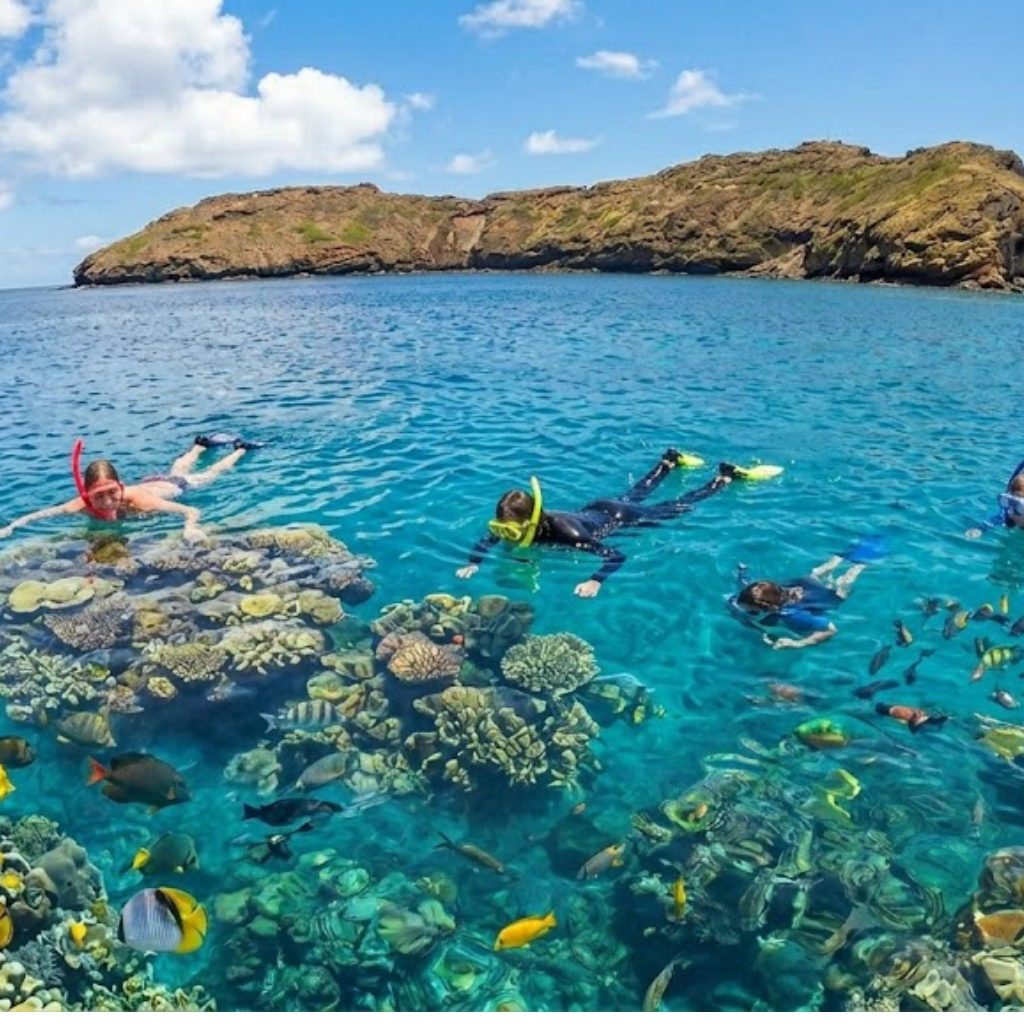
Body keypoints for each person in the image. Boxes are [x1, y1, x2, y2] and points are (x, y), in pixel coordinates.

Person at [456, 448, 782, 598]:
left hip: (617, 519)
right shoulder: (514, 525)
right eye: (501, 528)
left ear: (528, 523)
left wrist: (596, 580)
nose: (503, 535)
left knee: (678, 506)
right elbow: (488, 540)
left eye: (508, 531)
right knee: (636, 491)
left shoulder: (565, 534)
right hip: (595, 508)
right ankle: (668, 461)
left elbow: (615, 555)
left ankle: (723, 478)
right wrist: (474, 563)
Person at [0, 433, 263, 544]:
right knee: (178, 466)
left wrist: (190, 528)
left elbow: (190, 510)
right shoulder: (80, 505)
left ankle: (240, 449)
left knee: (209, 474)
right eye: (97, 496)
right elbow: (41, 514)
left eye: (112, 492)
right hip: (154, 479)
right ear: (86, 494)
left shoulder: (139, 501)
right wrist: (10, 527)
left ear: (121, 486)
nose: (106, 501)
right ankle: (200, 445)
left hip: (174, 488)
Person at [728, 539, 881, 649]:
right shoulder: (759, 592)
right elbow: (744, 584)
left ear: (771, 609)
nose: (744, 610)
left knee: (843, 582)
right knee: (815, 574)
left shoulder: (793, 616)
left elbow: (831, 630)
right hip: (803, 584)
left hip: (825, 597)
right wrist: (742, 571)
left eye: (751, 610)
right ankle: (841, 555)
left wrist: (798, 643)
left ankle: (864, 558)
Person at [966, 458, 1024, 537]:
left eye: (1018, 505)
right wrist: (978, 530)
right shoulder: (1008, 515)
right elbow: (990, 522)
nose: (1012, 510)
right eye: (1008, 501)